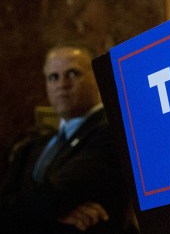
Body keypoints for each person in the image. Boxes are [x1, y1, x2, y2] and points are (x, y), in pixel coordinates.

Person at [0, 45, 134, 233]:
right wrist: (52, 213)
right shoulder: (34, 146)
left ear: (96, 77)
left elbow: (56, 196)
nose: (62, 85)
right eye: (53, 77)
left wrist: (39, 208)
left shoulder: (112, 132)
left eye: (73, 74)